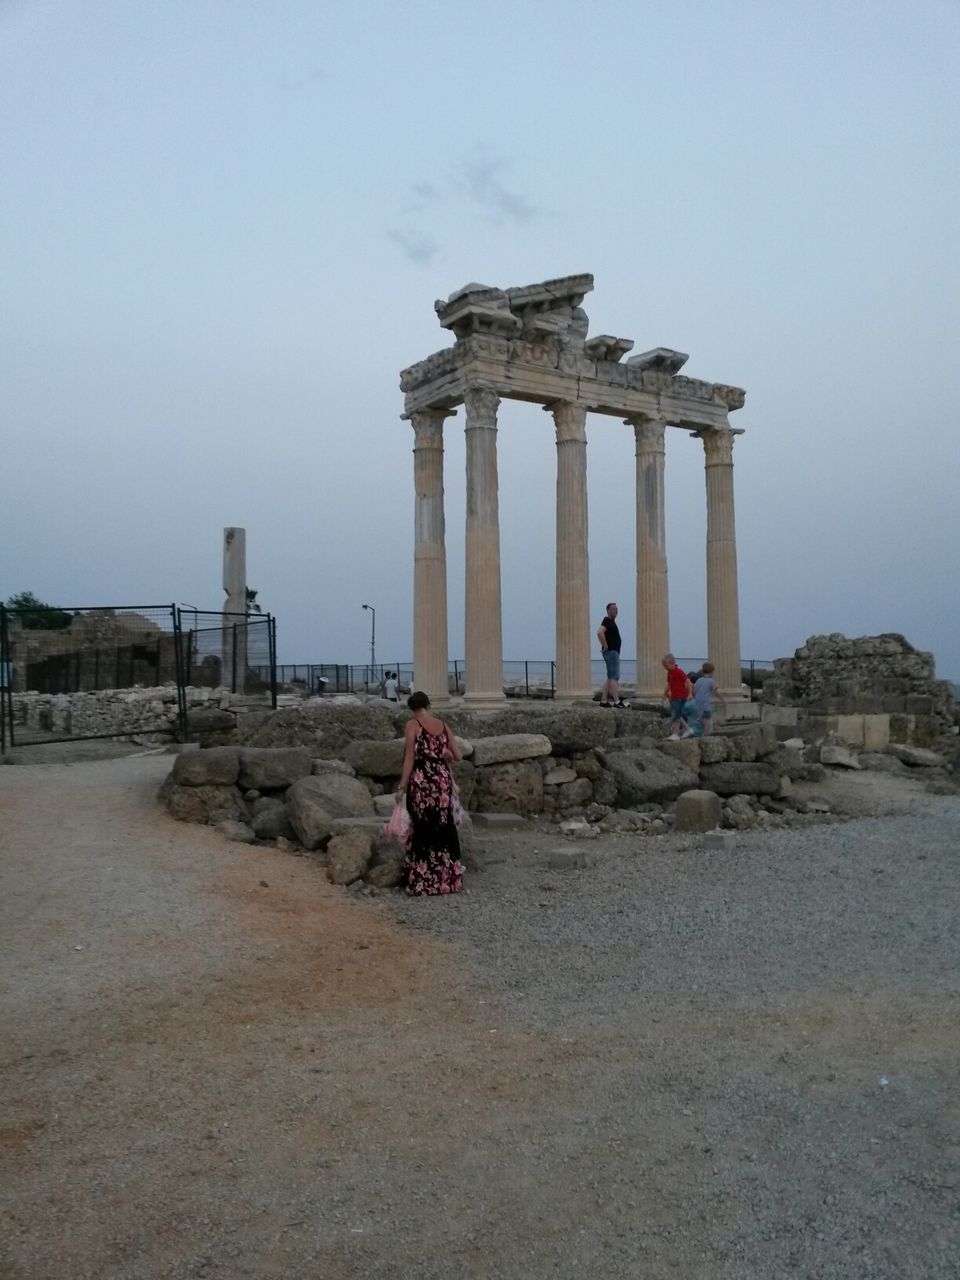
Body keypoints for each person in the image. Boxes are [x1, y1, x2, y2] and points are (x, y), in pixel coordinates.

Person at [396, 691, 463, 895]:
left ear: (412, 708)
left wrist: (401, 787)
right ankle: (449, 881)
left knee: (423, 825)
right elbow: (458, 756)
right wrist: (446, 754)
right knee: (443, 823)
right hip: (442, 780)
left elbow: (409, 757)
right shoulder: (442, 725)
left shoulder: (412, 725)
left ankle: (423, 882)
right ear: (428, 704)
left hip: (422, 780)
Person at [597, 602, 629, 708]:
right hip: (611, 652)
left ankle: (603, 700)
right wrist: (605, 645)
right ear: (608, 610)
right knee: (614, 676)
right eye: (613, 609)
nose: (616, 611)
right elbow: (600, 632)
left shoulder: (611, 622)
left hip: (612, 652)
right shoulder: (607, 620)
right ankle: (616, 701)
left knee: (610, 677)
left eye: (617, 609)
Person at [662, 654, 694, 738]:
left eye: (666, 665)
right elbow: (669, 684)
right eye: (664, 666)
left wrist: (690, 694)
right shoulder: (669, 673)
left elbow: (689, 682)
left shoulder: (679, 671)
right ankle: (687, 729)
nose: (665, 667)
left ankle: (676, 734)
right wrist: (665, 693)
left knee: (676, 715)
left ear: (672, 663)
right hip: (674, 696)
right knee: (676, 715)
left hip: (681, 697)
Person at [692, 661, 719, 736]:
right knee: (709, 727)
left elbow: (694, 692)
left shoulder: (698, 680)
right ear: (712, 671)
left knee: (699, 726)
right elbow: (716, 692)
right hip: (706, 707)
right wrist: (722, 700)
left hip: (697, 706)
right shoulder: (711, 681)